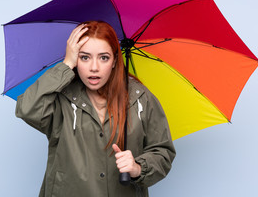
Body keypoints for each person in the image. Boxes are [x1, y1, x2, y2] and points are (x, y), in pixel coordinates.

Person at [15, 20, 176, 197]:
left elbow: (162, 152)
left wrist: (138, 168)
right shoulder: (61, 97)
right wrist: (66, 64)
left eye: (104, 57)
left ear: (115, 60)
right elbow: (27, 109)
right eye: (84, 57)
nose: (94, 67)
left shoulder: (140, 98)